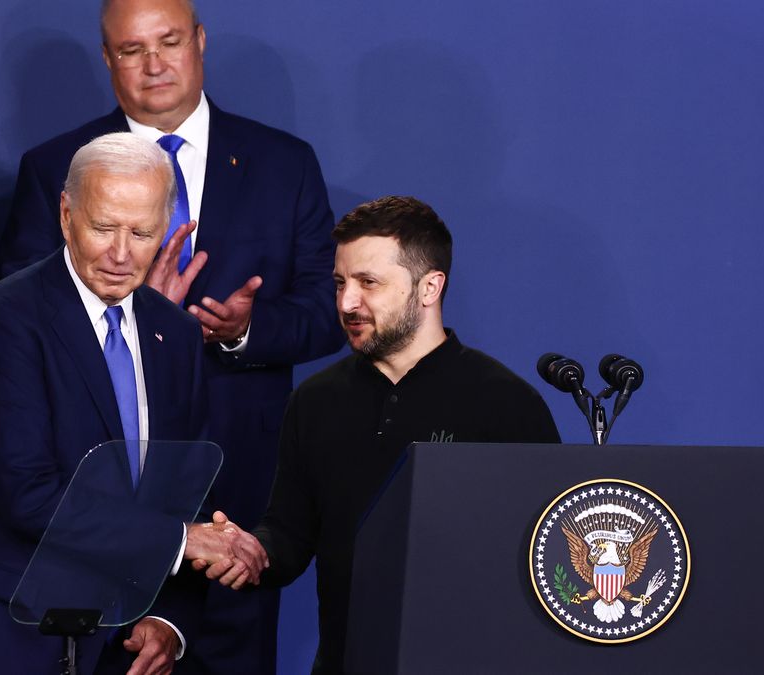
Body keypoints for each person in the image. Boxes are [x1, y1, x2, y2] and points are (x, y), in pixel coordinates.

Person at [0, 1, 341, 669]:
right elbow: (24, 316)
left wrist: (246, 330)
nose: (153, 64)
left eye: (169, 42)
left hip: (240, 488)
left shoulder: (283, 162)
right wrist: (131, 309)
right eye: (131, 50)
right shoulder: (55, 170)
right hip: (103, 486)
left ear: (200, 41)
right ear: (107, 58)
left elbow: (330, 311)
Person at [0, 133, 267, 675]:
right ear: (66, 213)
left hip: (119, 646)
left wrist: (166, 617)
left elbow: (184, 488)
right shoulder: (5, 319)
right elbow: (29, 496)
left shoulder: (176, 334)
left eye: (143, 233)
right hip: (8, 637)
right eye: (103, 228)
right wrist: (182, 543)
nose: (122, 255)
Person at [201, 196, 561, 674]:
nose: (347, 302)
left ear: (430, 287)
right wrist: (253, 552)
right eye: (340, 283)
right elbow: (290, 532)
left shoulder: (506, 404)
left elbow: (547, 555)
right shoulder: (315, 400)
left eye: (368, 282)